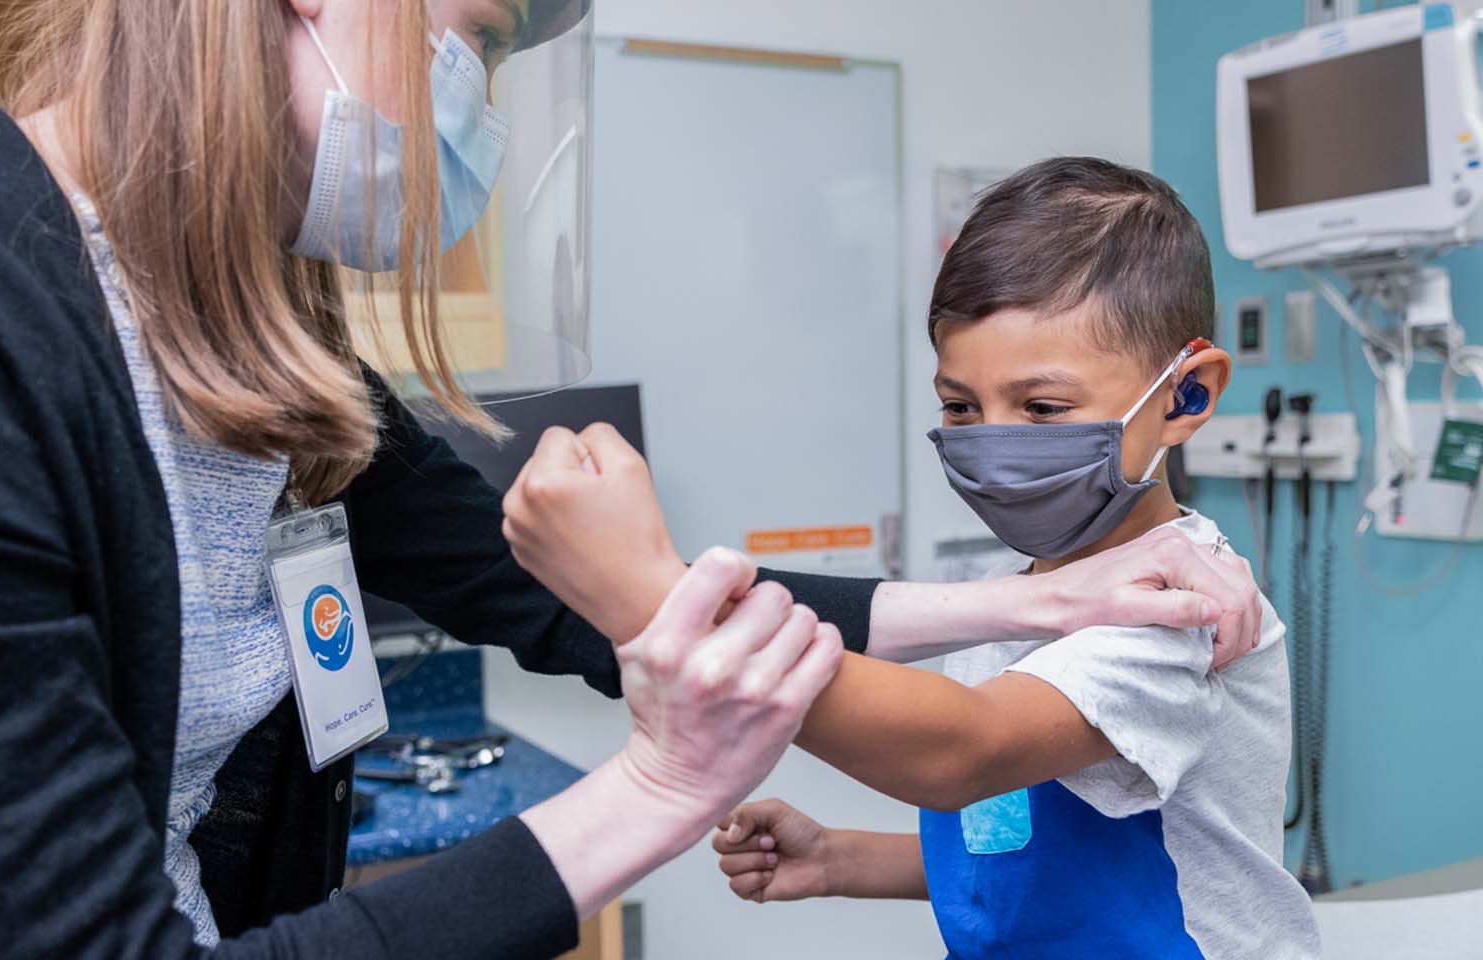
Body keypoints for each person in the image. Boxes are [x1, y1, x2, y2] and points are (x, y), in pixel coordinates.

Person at [0, 0, 1265, 953]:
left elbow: (542, 583)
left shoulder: (234, 339)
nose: (471, 111)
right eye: (463, 43)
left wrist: (1031, 592)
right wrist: (653, 791)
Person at [519, 158, 1322, 957]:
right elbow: (1019, 841)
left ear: (1185, 396)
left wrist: (661, 602)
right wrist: (843, 859)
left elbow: (964, 754)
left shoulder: (1185, 610)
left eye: (1043, 409)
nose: (995, 444)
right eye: (960, 406)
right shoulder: (1009, 600)